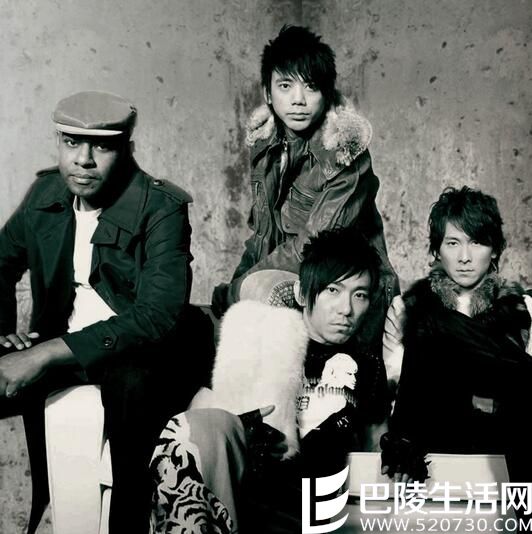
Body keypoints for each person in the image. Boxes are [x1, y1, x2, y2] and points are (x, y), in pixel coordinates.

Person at [0, 91, 212, 534]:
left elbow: (155, 316)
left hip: (141, 352)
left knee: (129, 385)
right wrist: (4, 337)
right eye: (71, 143)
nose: (83, 160)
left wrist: (43, 354)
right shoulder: (45, 194)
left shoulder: (162, 207)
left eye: (102, 146)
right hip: (68, 348)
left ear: (127, 149)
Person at [151, 227, 390, 533]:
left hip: (307, 513)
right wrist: (240, 430)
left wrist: (399, 451)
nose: (346, 309)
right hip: (240, 498)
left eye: (360, 295)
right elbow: (198, 428)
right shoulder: (256, 340)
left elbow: (376, 449)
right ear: (302, 293)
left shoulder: (367, 366)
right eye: (333, 290)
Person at [212, 25, 399, 348]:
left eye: (311, 87)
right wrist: (236, 285)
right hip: (303, 284)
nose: (298, 100)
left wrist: (239, 288)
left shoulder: (344, 152)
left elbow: (310, 248)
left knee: (264, 295)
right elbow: (262, 236)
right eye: (285, 86)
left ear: (326, 93)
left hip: (348, 291)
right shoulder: (267, 145)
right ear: (268, 93)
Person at [380, 186, 532, 483]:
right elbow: (399, 399)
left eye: (477, 242)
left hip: (508, 460)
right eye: (453, 243)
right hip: (435, 461)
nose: (465, 257)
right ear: (437, 250)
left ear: (495, 249)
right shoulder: (408, 309)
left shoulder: (523, 308)